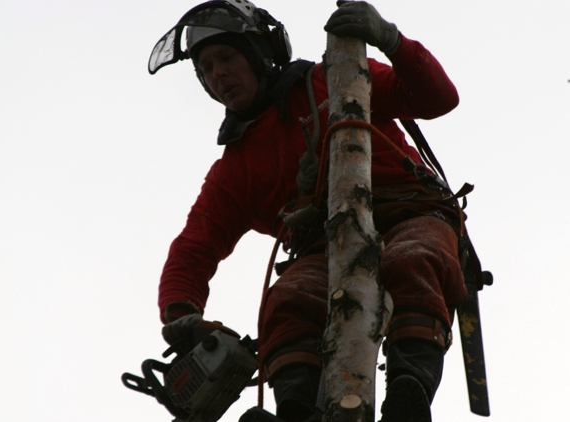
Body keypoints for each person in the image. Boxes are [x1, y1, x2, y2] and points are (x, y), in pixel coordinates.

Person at [149, 1, 468, 421]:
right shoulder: (235, 169)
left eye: (226, 58)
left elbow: (438, 98)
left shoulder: (334, 79)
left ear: (260, 54)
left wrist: (391, 40)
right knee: (288, 299)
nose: (218, 74)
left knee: (413, 258)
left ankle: (409, 393)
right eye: (206, 68)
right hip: (326, 250)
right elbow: (195, 246)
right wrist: (181, 312)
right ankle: (297, 412)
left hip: (410, 211)